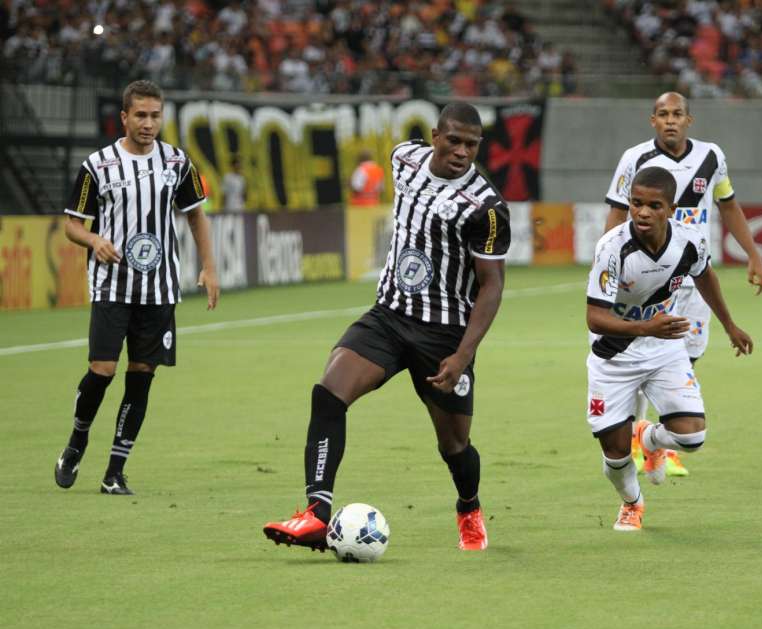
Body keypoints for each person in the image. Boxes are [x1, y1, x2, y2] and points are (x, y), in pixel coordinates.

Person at [263, 102, 510, 552]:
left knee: (455, 446)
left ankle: (469, 506)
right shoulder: (403, 158)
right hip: (390, 315)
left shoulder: (486, 208)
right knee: (328, 393)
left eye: (471, 145)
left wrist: (462, 356)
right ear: (434, 135)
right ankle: (316, 514)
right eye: (453, 140)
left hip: (444, 336)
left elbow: (492, 287)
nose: (460, 151)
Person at [54, 80, 220, 496]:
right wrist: (94, 241)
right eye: (141, 115)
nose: (149, 124)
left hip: (159, 290)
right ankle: (77, 440)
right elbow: (73, 224)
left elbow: (196, 216)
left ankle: (115, 470)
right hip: (112, 286)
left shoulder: (178, 163)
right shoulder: (99, 165)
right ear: (124, 117)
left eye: (155, 116)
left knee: (141, 377)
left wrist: (209, 267)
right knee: (102, 371)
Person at [603, 91, 762, 479]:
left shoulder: (711, 157)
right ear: (653, 120)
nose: (671, 120)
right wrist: (608, 270)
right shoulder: (635, 158)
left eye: (678, 114)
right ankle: (641, 446)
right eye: (663, 114)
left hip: (693, 280)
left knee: (685, 360)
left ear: (689, 120)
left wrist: (753, 253)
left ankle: (652, 439)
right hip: (647, 280)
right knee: (642, 359)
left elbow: (728, 205)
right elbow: (616, 212)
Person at [587, 166, 753, 530]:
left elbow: (704, 275)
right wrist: (647, 326)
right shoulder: (612, 249)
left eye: (654, 205)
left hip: (664, 349)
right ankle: (631, 503)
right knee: (614, 457)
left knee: (692, 436)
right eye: (636, 203)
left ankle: (647, 437)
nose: (643, 212)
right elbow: (594, 318)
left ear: (672, 207)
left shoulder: (690, 240)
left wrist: (729, 325)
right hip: (614, 354)